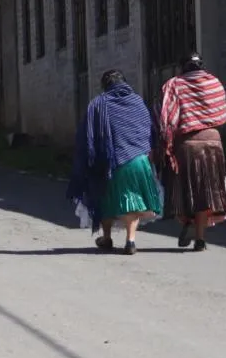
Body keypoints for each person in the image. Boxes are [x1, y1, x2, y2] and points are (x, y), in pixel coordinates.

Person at [68, 70, 163, 255]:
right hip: (139, 160)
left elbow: (87, 136)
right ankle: (131, 240)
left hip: (111, 163)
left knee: (105, 200)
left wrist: (88, 161)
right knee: (134, 201)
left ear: (105, 85)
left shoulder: (98, 104)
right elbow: (149, 131)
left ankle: (107, 237)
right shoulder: (138, 102)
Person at [158, 54, 226, 251]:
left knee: (187, 189)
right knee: (206, 190)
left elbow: (167, 118)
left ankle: (189, 223)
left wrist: (166, 143)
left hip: (188, 144)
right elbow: (221, 112)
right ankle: (200, 236)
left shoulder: (175, 85)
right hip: (213, 142)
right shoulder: (215, 83)